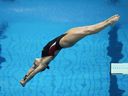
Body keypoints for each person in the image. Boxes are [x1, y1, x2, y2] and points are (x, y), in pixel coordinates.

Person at [20, 14, 120, 87]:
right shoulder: (44, 63)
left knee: (87, 28)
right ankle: (109, 23)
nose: (34, 64)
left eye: (34, 65)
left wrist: (23, 78)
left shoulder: (39, 59)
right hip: (64, 42)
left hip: (64, 35)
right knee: (88, 31)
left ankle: (108, 20)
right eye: (35, 66)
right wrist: (25, 81)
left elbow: (30, 70)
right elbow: (33, 73)